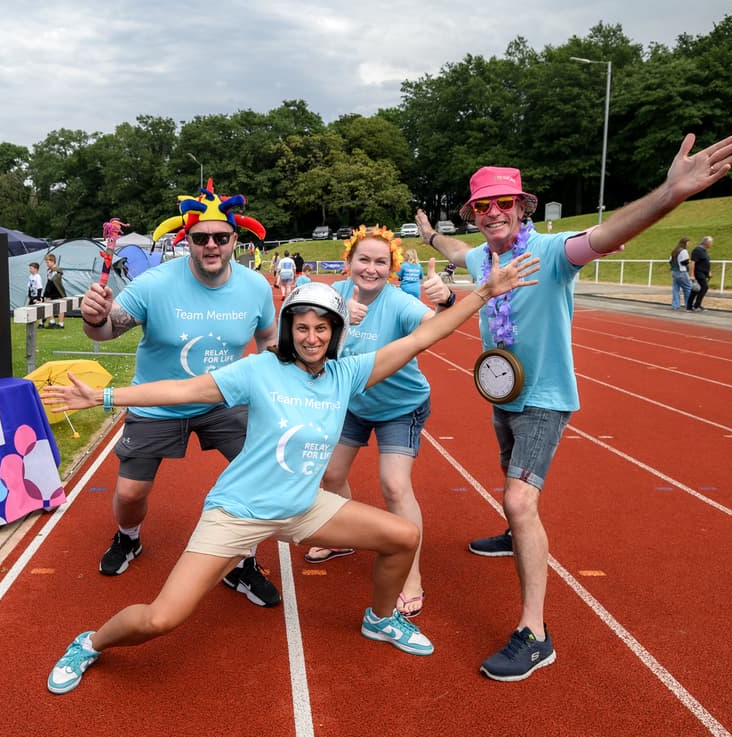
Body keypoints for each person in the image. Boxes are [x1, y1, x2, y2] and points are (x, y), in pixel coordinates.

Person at [43, 259, 540, 695]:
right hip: (239, 513)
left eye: (322, 329)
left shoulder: (347, 374)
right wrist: (106, 398)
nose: (311, 337)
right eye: (301, 327)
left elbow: (423, 336)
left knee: (402, 536)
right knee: (161, 619)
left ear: (337, 332)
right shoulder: (259, 370)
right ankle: (88, 642)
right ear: (287, 329)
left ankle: (380, 618)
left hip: (304, 508)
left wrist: (484, 292)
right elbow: (181, 388)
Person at [415, 132, 732, 681]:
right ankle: (511, 533)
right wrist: (430, 235)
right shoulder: (478, 256)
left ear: (522, 208)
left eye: (504, 203)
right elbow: (452, 250)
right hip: (503, 391)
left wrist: (669, 194)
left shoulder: (550, 253)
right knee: (509, 479)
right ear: (473, 214)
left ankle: (535, 634)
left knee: (521, 500)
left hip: (544, 397)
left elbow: (607, 232)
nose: (494, 213)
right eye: (482, 206)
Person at [77, 179, 282, 607]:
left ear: (234, 240)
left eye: (220, 237)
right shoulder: (154, 284)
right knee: (132, 493)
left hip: (224, 400)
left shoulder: (256, 287)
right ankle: (128, 538)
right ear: (185, 240)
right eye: (201, 237)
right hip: (158, 400)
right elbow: (108, 327)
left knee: (258, 475)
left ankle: (242, 560)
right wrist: (93, 318)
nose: (211, 245)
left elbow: (267, 339)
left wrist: (276, 383)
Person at [303, 226, 459, 621]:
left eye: (380, 262)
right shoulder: (333, 295)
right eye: (364, 260)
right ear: (349, 262)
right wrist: (339, 320)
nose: (371, 269)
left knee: (394, 484)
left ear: (390, 268)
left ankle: (410, 574)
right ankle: (344, 539)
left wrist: (446, 302)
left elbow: (434, 327)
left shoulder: (399, 302)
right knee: (332, 474)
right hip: (353, 402)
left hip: (399, 405)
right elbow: (299, 331)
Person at [688, 236, 712, 311]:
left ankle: (690, 306)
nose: (711, 244)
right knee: (704, 287)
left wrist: (708, 272)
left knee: (696, 289)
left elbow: (705, 262)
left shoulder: (704, 251)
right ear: (706, 243)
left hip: (703, 273)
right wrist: (691, 275)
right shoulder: (697, 250)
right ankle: (696, 305)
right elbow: (692, 263)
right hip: (698, 273)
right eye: (711, 242)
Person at [43, 253, 67, 329]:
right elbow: (49, 281)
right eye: (46, 262)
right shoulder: (49, 270)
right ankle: (52, 322)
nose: (46, 264)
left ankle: (61, 324)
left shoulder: (57, 271)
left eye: (48, 262)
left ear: (53, 261)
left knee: (61, 307)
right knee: (47, 305)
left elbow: (56, 281)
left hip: (56, 290)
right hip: (49, 290)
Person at [669, 237, 692, 310]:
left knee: (675, 289)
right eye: (688, 242)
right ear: (685, 243)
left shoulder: (674, 251)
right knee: (688, 288)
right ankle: (688, 305)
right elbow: (684, 262)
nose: (689, 244)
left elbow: (670, 261)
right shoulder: (684, 251)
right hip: (682, 271)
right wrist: (689, 262)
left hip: (674, 272)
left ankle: (675, 305)